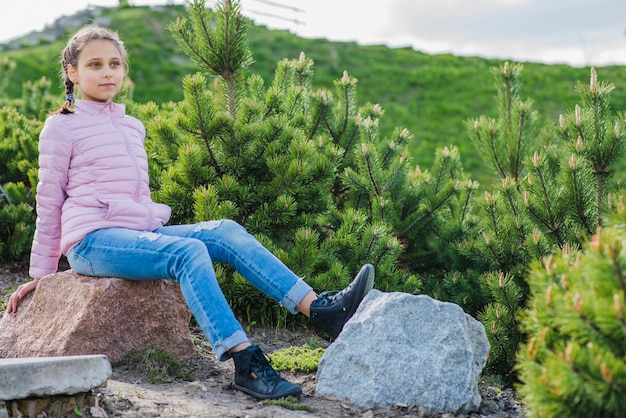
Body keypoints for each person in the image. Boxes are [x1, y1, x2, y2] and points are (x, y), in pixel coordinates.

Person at [5, 24, 375, 400]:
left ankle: (321, 311)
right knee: (189, 252)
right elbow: (49, 201)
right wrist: (43, 277)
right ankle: (245, 361)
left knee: (224, 231)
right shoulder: (61, 127)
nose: (107, 73)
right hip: (91, 241)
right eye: (95, 64)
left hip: (137, 233)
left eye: (115, 64)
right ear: (72, 72)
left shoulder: (132, 127)